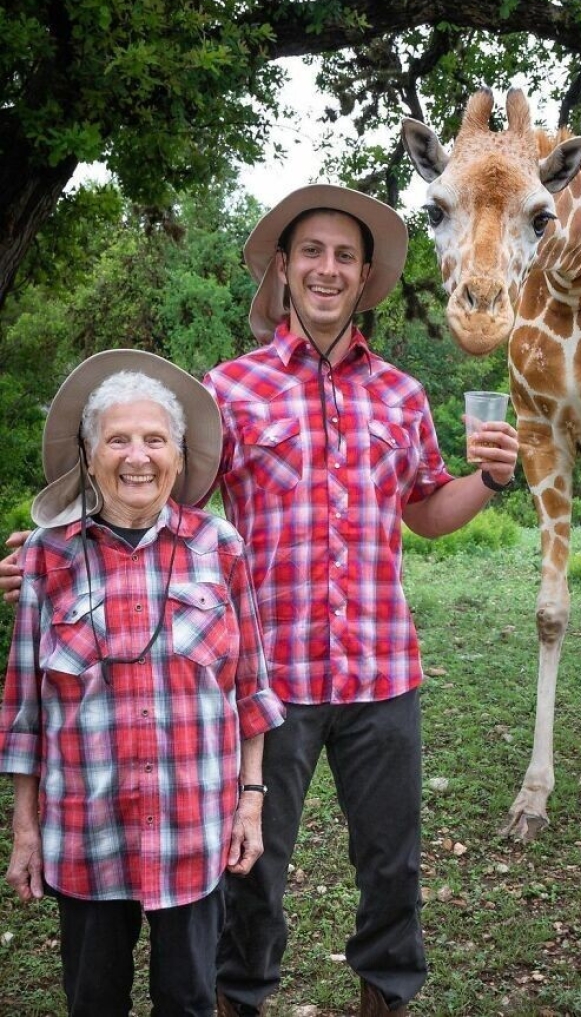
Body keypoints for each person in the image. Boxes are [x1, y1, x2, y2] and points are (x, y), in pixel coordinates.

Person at [1, 184, 519, 1016]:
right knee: (249, 866)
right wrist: (60, 550)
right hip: (263, 679)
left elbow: (424, 512)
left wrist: (488, 478)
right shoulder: (229, 391)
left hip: (382, 673)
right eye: (310, 252)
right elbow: (162, 503)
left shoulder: (400, 394)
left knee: (391, 863)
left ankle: (383, 995)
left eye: (344, 256)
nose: (327, 268)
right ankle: (239, 997)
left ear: (364, 276)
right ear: (282, 270)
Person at [0, 350, 284, 1017]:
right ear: (88, 454)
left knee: (187, 1000)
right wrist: (24, 826)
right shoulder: (46, 556)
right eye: (118, 438)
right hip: (86, 832)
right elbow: (24, 711)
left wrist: (249, 803)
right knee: (93, 1000)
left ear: (179, 458)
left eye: (155, 439)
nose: (137, 456)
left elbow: (250, 689)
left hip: (193, 830)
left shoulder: (220, 547)